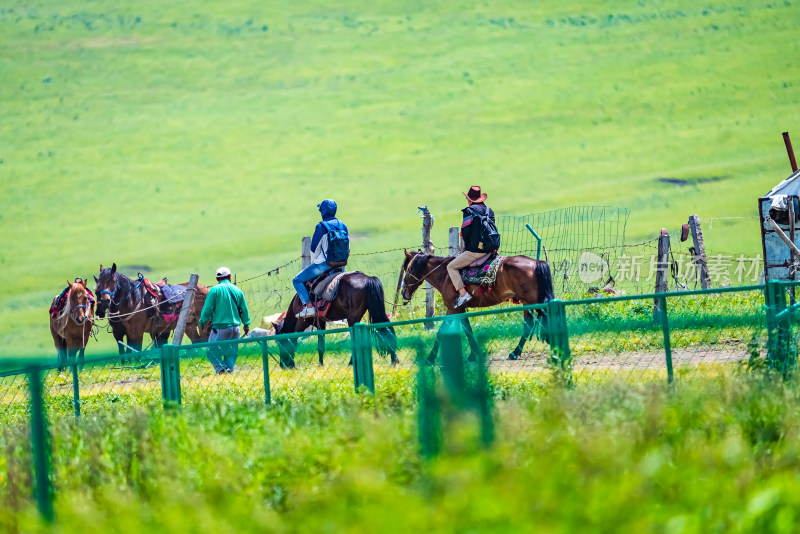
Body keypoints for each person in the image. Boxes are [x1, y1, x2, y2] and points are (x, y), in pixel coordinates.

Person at [293, 199, 349, 318]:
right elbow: (347, 247)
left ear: (322, 212)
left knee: (297, 280)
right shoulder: (343, 225)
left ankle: (308, 307)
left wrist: (315, 263)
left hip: (324, 264)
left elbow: (314, 250)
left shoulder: (321, 227)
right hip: (341, 264)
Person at [447, 186, 500, 308]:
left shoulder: (469, 211)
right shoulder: (489, 210)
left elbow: (465, 231)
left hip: (476, 251)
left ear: (469, 199)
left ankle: (463, 294)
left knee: (451, 267)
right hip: (490, 248)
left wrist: (466, 247)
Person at [199, 266, 251, 374]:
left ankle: (221, 370)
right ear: (229, 277)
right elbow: (244, 310)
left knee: (212, 351)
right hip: (235, 328)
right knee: (231, 353)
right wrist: (246, 325)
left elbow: (207, 309)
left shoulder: (214, 290)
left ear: (218, 279)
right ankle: (228, 372)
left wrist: (202, 322)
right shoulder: (238, 290)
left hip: (219, 329)